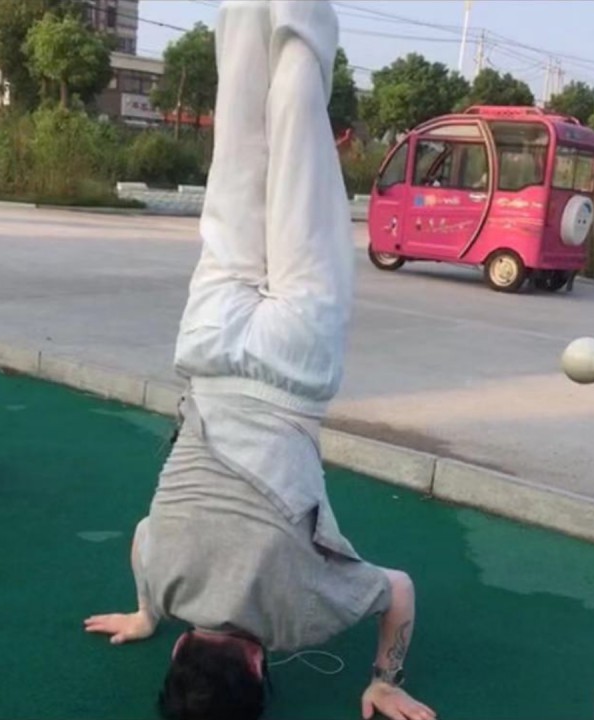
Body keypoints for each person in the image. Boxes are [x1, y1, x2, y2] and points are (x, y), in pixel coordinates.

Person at [84, 2, 436, 719]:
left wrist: (384, 679)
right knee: (238, 149)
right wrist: (150, 612)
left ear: (256, 664)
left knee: (297, 130)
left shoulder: (299, 616)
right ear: (180, 652)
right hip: (208, 350)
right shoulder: (163, 573)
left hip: (290, 370)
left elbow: (398, 590)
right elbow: (141, 539)